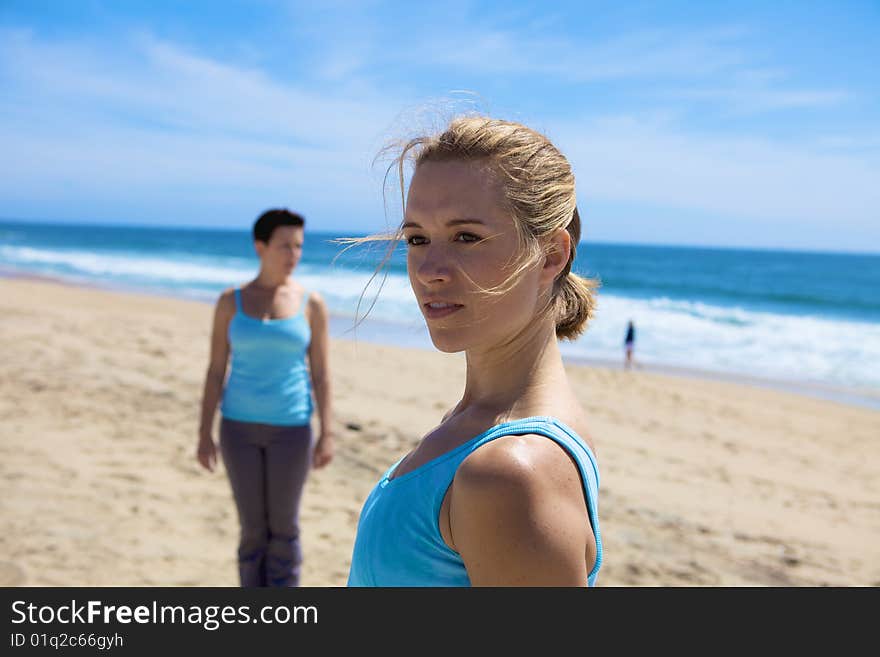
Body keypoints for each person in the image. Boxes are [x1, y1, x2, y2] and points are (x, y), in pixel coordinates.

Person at [346, 116, 603, 586]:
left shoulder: (511, 470)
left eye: (466, 237)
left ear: (551, 255)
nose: (430, 270)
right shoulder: (480, 426)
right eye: (417, 238)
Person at [196, 208, 334, 587]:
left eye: (298, 246)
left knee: (284, 529)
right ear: (261, 247)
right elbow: (214, 371)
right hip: (237, 429)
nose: (293, 255)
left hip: (292, 430)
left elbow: (321, 374)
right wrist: (204, 433)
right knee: (253, 530)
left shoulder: (312, 304)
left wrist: (328, 432)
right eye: (284, 246)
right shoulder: (231, 302)